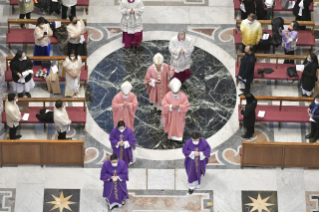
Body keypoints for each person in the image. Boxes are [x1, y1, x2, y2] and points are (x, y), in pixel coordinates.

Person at [161, 78, 190, 142]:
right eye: (174, 92)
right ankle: (171, 135)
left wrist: (180, 106)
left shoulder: (183, 96)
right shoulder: (168, 95)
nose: (175, 93)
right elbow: (164, 104)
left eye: (176, 92)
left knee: (179, 126)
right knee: (171, 125)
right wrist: (170, 106)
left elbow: (187, 105)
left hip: (179, 116)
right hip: (170, 115)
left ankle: (178, 137)